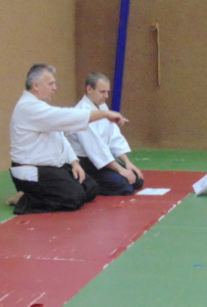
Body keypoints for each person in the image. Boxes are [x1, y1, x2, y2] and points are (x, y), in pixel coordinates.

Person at [8, 64, 128, 214]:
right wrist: (105, 114)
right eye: (51, 84)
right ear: (36, 86)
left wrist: (74, 163)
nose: (55, 88)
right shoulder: (28, 108)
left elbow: (61, 138)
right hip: (33, 170)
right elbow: (67, 117)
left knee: (91, 187)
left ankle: (40, 192)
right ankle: (25, 199)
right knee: (73, 198)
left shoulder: (41, 107)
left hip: (52, 167)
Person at [67, 72, 145, 196]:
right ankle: (88, 183)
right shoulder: (82, 112)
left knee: (137, 180)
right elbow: (95, 149)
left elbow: (114, 136)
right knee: (125, 187)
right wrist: (120, 170)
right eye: (102, 92)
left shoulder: (102, 107)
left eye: (107, 92)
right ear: (89, 89)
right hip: (87, 163)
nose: (106, 96)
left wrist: (127, 162)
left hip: (103, 159)